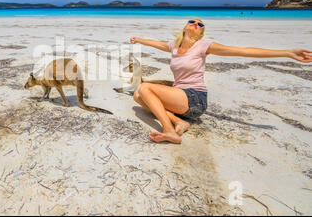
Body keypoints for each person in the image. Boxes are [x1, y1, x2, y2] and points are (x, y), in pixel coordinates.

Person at [131, 18, 312, 144]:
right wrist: (138, 39)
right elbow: (154, 43)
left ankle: (169, 131)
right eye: (192, 21)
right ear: (185, 27)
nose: (195, 24)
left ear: (201, 32)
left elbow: (243, 51)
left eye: (200, 24)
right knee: (138, 97)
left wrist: (287, 53)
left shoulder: (203, 46)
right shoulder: (174, 46)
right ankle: (180, 123)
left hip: (195, 98)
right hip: (180, 100)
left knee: (145, 87)